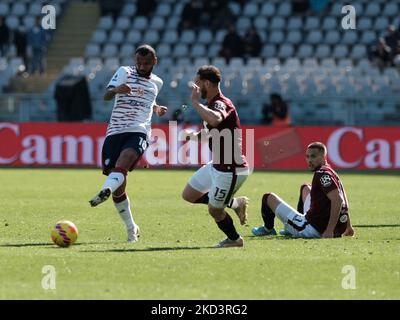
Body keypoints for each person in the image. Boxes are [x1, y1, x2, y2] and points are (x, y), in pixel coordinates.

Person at [89, 44, 168, 242]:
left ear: (154, 62)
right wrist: (117, 89)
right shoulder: (124, 72)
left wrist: (156, 109)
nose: (142, 66)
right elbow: (106, 96)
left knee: (124, 162)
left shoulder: (157, 82)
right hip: (115, 132)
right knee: (120, 189)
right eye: (139, 62)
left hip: (139, 130)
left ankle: (105, 189)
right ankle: (132, 227)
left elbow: (147, 100)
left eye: (146, 63)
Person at [181, 65, 250, 248]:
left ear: (207, 83)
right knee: (189, 194)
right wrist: (193, 137)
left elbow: (215, 119)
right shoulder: (212, 105)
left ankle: (235, 239)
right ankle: (235, 203)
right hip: (217, 164)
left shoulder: (221, 103)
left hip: (231, 168)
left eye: (197, 83)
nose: (195, 88)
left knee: (215, 210)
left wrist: (195, 103)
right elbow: (212, 132)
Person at [252, 142, 354, 239]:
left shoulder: (322, 174)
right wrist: (348, 227)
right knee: (305, 188)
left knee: (268, 197)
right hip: (337, 228)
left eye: (313, 156)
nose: (309, 160)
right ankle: (291, 227)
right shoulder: (330, 171)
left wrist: (329, 230)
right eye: (307, 156)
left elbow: (338, 200)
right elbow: (342, 198)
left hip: (314, 229)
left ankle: (268, 229)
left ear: (323, 157)